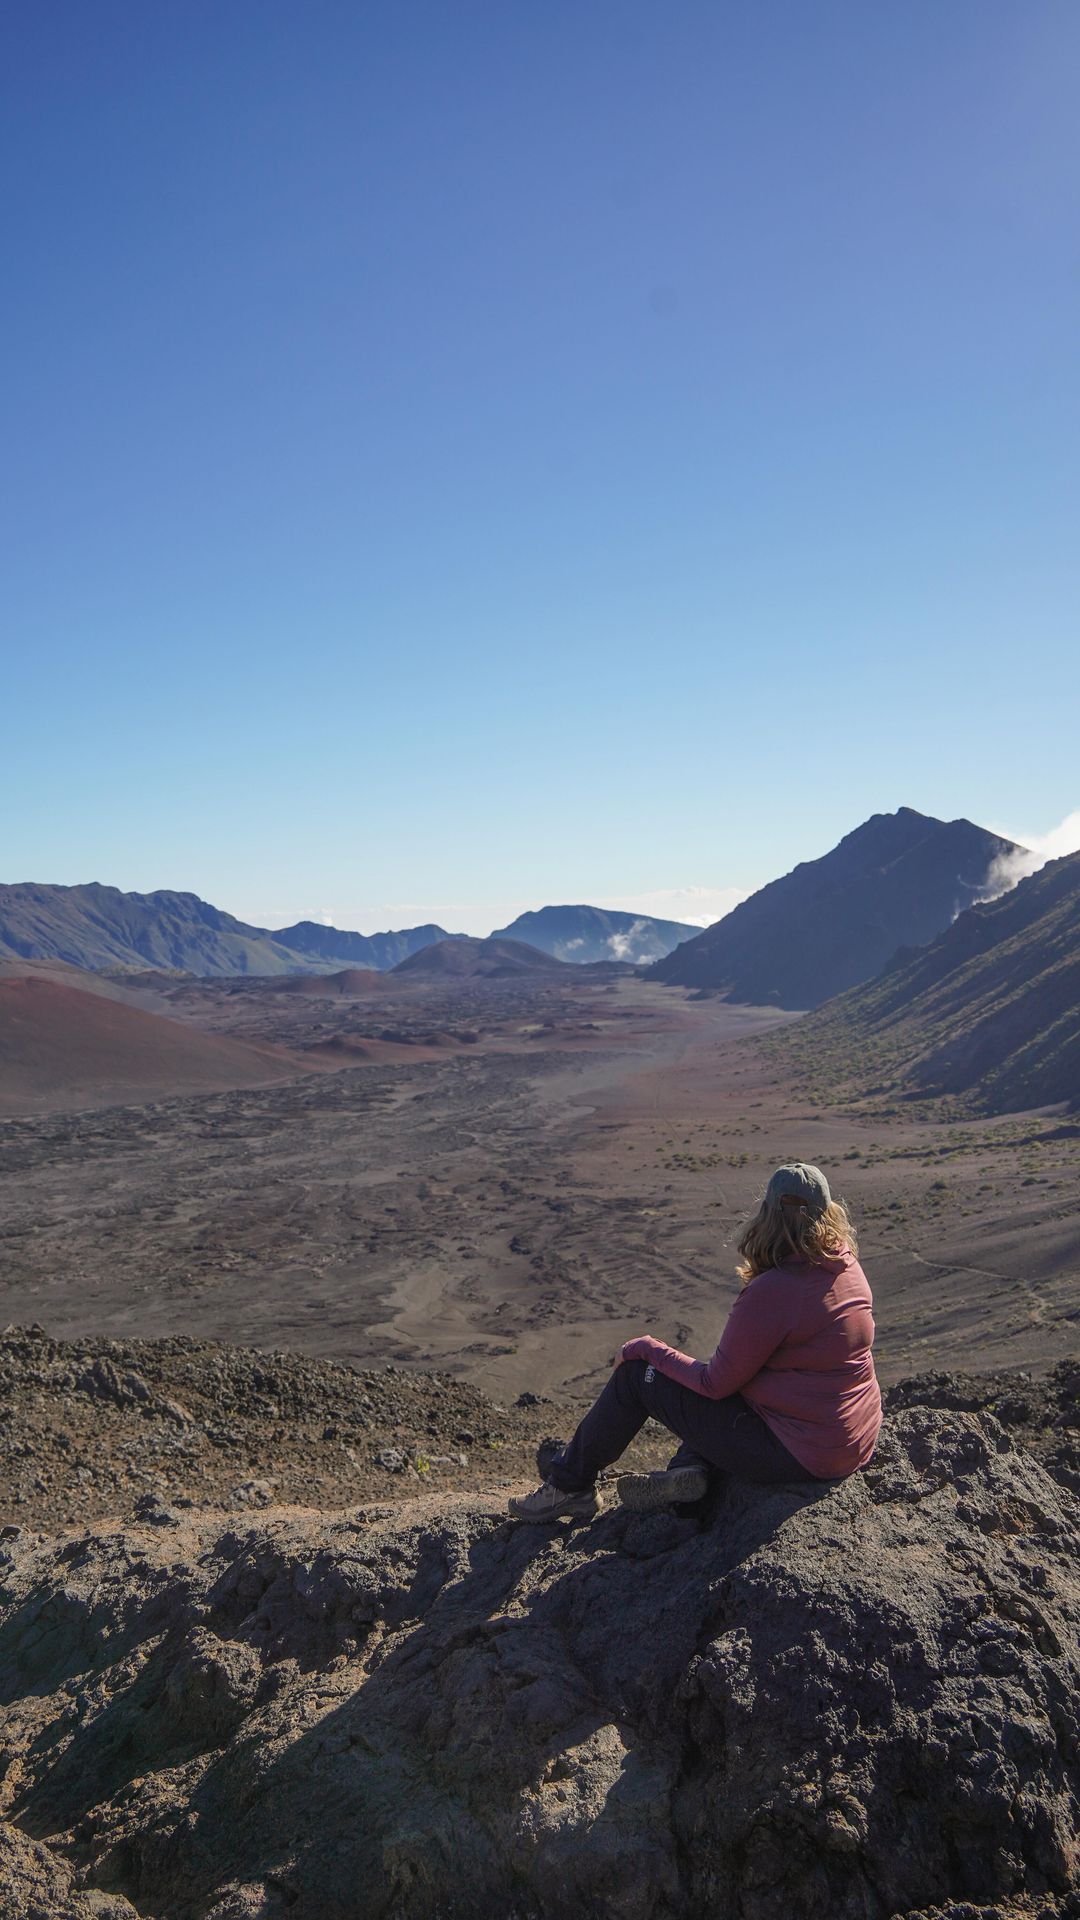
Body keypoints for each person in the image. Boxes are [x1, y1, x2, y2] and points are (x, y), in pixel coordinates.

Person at [508, 1162, 882, 1521]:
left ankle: (570, 1488)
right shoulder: (847, 1265)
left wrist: (645, 1348)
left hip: (800, 1453)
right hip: (853, 1440)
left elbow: (713, 1384)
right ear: (828, 1213)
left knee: (640, 1376)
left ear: (766, 1216)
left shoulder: (774, 1291)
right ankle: (690, 1469)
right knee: (730, 1377)